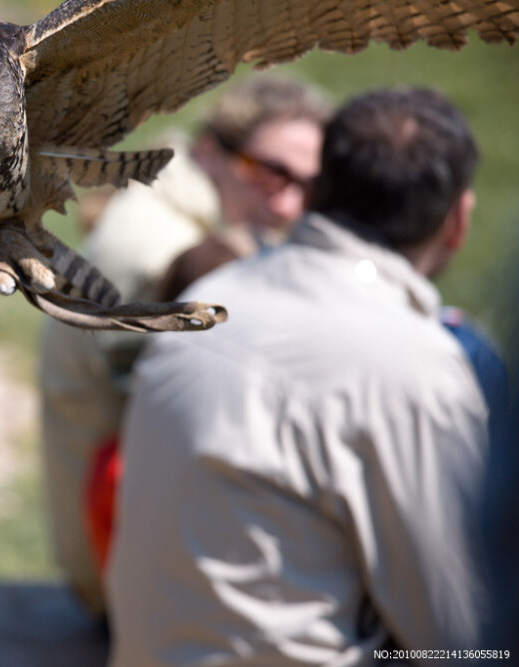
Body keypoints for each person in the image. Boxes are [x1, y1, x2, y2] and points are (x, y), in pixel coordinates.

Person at [108, 87, 490, 665]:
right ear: (458, 220)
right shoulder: (417, 364)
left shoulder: (211, 299)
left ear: (317, 186)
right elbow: (464, 635)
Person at [38, 75, 331, 613]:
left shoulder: (164, 206)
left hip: (104, 536)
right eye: (268, 174)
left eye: (308, 186)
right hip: (124, 573)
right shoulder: (174, 252)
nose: (289, 205)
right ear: (209, 152)